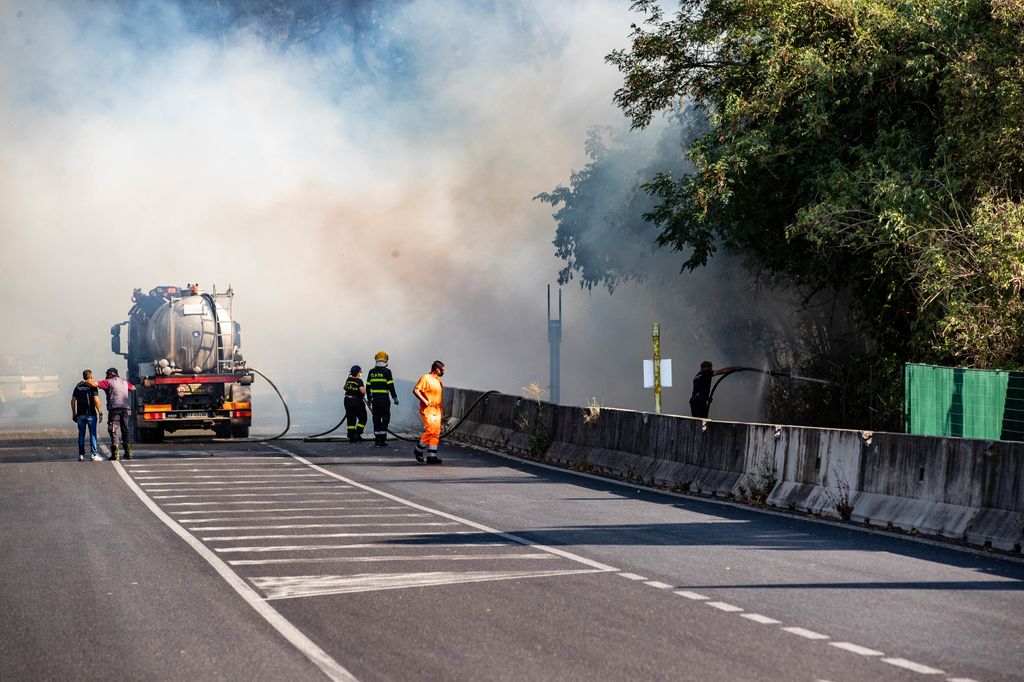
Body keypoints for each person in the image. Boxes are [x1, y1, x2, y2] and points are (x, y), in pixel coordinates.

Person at [94, 367, 136, 460]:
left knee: (113, 430)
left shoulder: (108, 382)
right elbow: (133, 388)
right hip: (125, 409)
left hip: (114, 409)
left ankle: (115, 453)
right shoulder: (125, 382)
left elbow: (95, 384)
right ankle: (128, 452)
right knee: (125, 430)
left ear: (109, 374)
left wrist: (85, 381)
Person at [412, 360, 445, 464]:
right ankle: (418, 450)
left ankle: (431, 456)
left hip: (437, 410)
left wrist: (440, 410)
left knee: (436, 433)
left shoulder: (438, 380)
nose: (444, 372)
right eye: (442, 370)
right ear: (437, 369)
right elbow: (416, 390)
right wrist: (425, 401)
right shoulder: (425, 378)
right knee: (430, 430)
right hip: (428, 410)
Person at [365, 351, 399, 447]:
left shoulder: (371, 372)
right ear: (386, 360)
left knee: (376, 418)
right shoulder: (387, 372)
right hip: (384, 399)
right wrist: (394, 397)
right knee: (385, 418)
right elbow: (390, 385)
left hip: (375, 400)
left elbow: (368, 386)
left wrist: (369, 398)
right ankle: (383, 439)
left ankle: (377, 440)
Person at [71, 370, 103, 461]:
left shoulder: (78, 387)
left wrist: (74, 413)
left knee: (81, 434)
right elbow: (96, 400)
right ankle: (94, 454)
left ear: (83, 376)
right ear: (91, 376)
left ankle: (81, 455)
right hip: (91, 414)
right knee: (92, 434)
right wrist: (100, 412)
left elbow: (73, 401)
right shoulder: (92, 386)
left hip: (80, 415)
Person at [343, 365, 367, 442]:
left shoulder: (348, 379)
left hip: (347, 400)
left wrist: (351, 389)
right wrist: (365, 389)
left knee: (351, 418)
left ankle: (351, 435)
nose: (360, 373)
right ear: (357, 372)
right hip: (356, 401)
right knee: (363, 417)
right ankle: (358, 433)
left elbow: (345, 387)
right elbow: (362, 391)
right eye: (360, 372)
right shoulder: (359, 381)